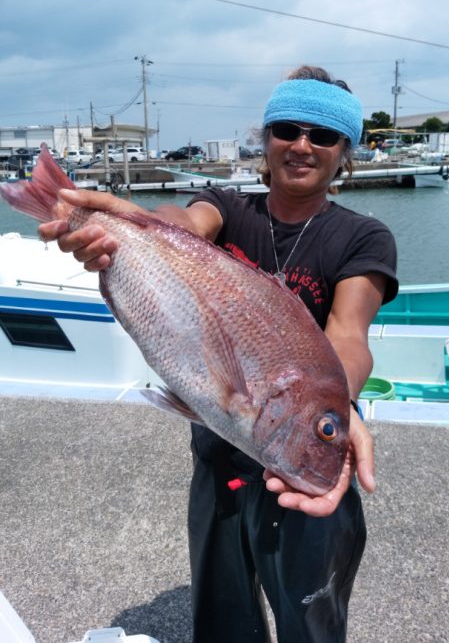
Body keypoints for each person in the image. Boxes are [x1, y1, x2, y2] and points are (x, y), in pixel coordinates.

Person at [39, 65, 398, 643]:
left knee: (312, 624)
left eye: (324, 135)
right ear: (266, 138)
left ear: (345, 151)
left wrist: (336, 412)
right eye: (286, 128)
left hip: (301, 469)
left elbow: (348, 335)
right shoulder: (227, 207)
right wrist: (125, 226)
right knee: (222, 621)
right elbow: (181, 224)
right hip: (218, 458)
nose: (302, 146)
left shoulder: (363, 238)